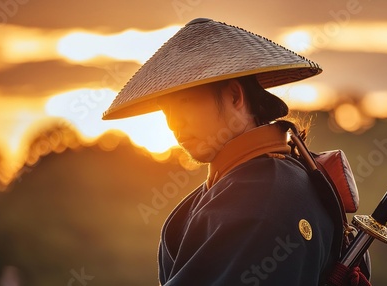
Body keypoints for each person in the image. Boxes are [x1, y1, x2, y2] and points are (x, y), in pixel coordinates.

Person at [103, 18, 339, 285]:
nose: (172, 123)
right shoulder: (277, 176)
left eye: (183, 103)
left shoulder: (256, 195)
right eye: (165, 110)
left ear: (235, 96)